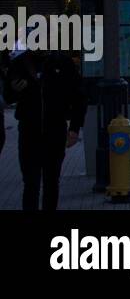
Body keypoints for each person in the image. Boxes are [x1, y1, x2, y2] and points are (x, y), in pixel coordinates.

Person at [3, 38, 87, 211]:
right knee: (31, 183)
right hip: (28, 132)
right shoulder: (19, 63)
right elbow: (7, 96)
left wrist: (74, 128)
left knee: (51, 182)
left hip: (55, 131)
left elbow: (79, 98)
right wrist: (14, 90)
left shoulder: (63, 63)